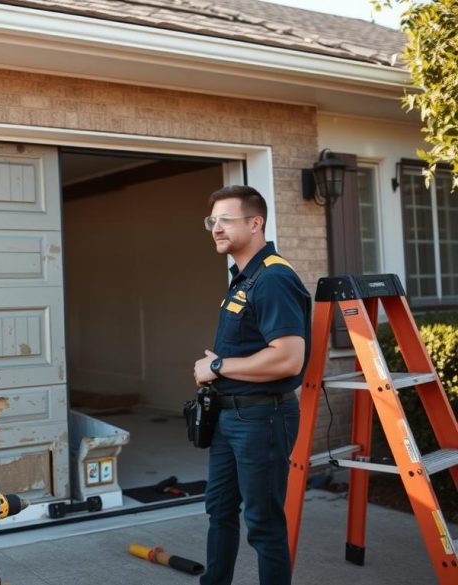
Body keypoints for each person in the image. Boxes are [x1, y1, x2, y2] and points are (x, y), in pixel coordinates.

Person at [192, 185, 311, 585]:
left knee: (262, 522)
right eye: (212, 221)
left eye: (226, 219)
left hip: (262, 417)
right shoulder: (245, 277)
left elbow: (289, 357)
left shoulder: (274, 278)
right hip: (230, 417)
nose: (216, 228)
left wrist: (219, 366)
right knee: (220, 510)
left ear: (255, 222)